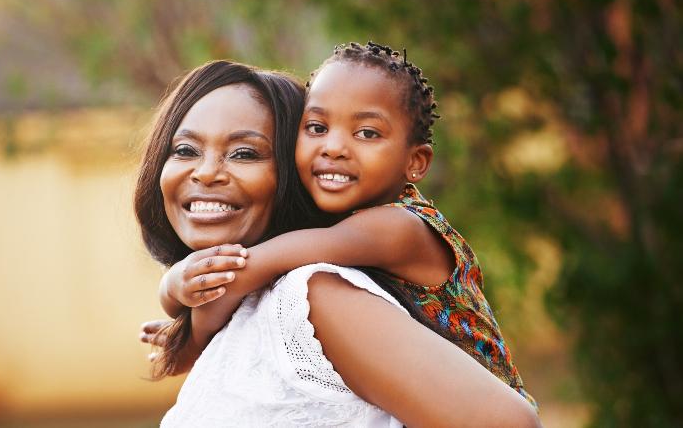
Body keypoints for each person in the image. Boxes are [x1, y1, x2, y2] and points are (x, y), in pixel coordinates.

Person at [135, 59, 540, 427]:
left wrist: (174, 292)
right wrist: (184, 314)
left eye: (244, 153)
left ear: (415, 161)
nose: (333, 147)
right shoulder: (300, 281)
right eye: (317, 128)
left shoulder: (387, 233)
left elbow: (243, 270)